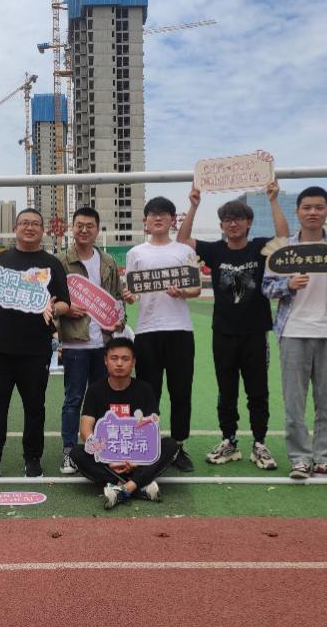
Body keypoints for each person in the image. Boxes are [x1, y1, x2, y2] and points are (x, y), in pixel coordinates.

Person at [177, 180, 289, 471]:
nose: (233, 223)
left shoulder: (260, 248)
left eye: (238, 218)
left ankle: (259, 443)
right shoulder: (215, 251)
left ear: (249, 222)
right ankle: (229, 440)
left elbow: (284, 238)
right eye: (227, 219)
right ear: (221, 225)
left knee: (257, 391)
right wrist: (193, 205)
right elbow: (183, 240)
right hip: (223, 333)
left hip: (255, 333)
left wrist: (273, 200)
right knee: (226, 391)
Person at [261, 186, 327, 480]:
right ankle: (300, 459)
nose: (312, 212)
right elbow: (267, 288)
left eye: (319, 207)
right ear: (298, 212)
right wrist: (288, 285)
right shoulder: (282, 249)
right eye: (307, 207)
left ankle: (326, 458)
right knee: (294, 401)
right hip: (293, 331)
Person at [0, 208, 70, 480]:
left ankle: (32, 459)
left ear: (42, 230)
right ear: (15, 228)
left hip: (36, 351)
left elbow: (65, 302)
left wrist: (53, 308)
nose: (29, 227)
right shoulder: (0, 260)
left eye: (35, 223)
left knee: (35, 408)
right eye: (24, 223)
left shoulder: (51, 264)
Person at [122, 196, 201, 472]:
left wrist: (183, 292)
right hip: (147, 330)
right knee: (148, 392)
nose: (158, 218)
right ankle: (150, 444)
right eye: (153, 214)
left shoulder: (184, 250)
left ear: (172, 219)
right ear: (145, 220)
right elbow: (133, 293)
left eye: (164, 214)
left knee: (181, 391)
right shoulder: (136, 253)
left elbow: (196, 288)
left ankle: (177, 446)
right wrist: (129, 296)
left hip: (180, 330)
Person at [70, 337, 179, 509]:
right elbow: (85, 430)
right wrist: (107, 458)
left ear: (133, 362)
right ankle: (136, 486)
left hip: (138, 456)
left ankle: (123, 488)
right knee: (76, 452)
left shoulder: (145, 389)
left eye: (125, 359)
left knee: (170, 445)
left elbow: (152, 431)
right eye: (114, 358)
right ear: (106, 361)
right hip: (107, 453)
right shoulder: (95, 390)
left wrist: (138, 460)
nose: (119, 363)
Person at [55, 206, 125, 474]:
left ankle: (102, 448)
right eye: (79, 225)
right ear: (72, 228)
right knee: (73, 398)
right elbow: (52, 300)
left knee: (102, 399)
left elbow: (117, 298)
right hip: (75, 343)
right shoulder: (61, 261)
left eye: (89, 226)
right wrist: (65, 310)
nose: (84, 230)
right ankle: (69, 451)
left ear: (97, 229)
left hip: (103, 344)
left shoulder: (107, 262)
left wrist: (120, 321)